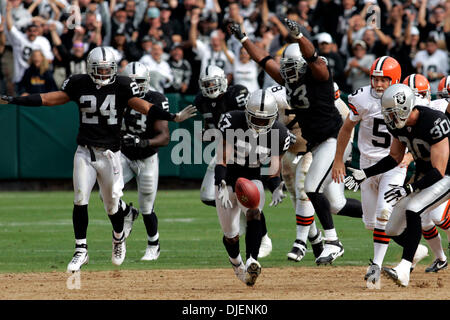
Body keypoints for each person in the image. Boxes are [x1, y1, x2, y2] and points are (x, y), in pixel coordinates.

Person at [0, 46, 197, 272]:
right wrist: (15, 100)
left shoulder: (122, 85)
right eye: (99, 70)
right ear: (90, 68)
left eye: (107, 69)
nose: (104, 74)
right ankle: (81, 250)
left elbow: (145, 106)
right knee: (80, 198)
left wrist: (172, 116)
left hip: (111, 155)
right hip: (85, 151)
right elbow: (49, 98)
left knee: (112, 206)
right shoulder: (79, 83)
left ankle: (118, 238)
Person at [229, 18, 363, 265]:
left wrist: (300, 36)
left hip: (332, 139)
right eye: (286, 66)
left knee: (310, 188)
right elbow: (264, 60)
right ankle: (381, 218)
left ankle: (332, 242)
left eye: (293, 66)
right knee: (335, 203)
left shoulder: (319, 75)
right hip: (317, 142)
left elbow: (314, 60)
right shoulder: (288, 81)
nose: (289, 71)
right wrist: (244, 39)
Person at [332, 56, 428, 286]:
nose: (377, 84)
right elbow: (346, 129)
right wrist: (338, 160)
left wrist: (408, 156)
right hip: (367, 165)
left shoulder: (405, 97)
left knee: (383, 214)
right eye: (375, 78)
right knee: (371, 222)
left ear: (394, 80)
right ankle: (414, 250)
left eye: (384, 79)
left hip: (393, 165)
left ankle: (375, 266)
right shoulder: (362, 97)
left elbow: (421, 134)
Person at [344, 83, 450, 287]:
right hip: (426, 175)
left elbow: (439, 170)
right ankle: (416, 251)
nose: (390, 119)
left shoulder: (433, 121)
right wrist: (365, 173)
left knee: (414, 209)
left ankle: (404, 269)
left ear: (406, 107)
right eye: (388, 113)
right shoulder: (397, 125)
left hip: (445, 176)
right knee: (391, 228)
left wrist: (409, 188)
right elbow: (394, 157)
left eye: (393, 113)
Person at [195, 65, 272, 259]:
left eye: (213, 83)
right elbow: (210, 128)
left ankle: (262, 235)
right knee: (208, 196)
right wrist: (207, 134)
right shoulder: (201, 101)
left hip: (242, 150)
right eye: (206, 85)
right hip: (223, 148)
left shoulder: (237, 94)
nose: (210, 88)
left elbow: (249, 124)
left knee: (250, 195)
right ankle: (243, 214)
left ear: (223, 81)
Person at [214, 88, 290, 286]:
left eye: (265, 120)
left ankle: (252, 260)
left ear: (274, 118)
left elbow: (273, 170)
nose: (260, 124)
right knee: (231, 235)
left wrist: (276, 187)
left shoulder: (280, 133)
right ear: (247, 113)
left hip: (253, 177)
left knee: (254, 212)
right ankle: (237, 264)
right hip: (229, 178)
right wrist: (221, 182)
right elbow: (222, 158)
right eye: (255, 119)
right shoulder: (232, 121)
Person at [120, 61, 170, 261]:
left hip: (147, 157)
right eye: (130, 82)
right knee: (108, 194)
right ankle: (127, 212)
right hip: (123, 155)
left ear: (147, 81)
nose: (135, 86)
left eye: (139, 82)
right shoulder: (116, 95)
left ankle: (153, 244)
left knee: (147, 207)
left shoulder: (155, 98)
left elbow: (164, 137)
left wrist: (143, 142)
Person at [403, 74, 450, 273]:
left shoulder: (436, 111)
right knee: (422, 218)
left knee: (438, 216)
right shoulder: (420, 113)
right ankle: (440, 258)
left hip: (444, 171)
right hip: (430, 170)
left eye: (419, 94)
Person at [5, 1, 53, 94]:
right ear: (26, 31)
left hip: (36, 76)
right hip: (20, 76)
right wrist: (8, 12)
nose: (32, 33)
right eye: (30, 30)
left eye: (34, 31)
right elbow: (10, 28)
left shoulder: (42, 41)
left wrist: (36, 61)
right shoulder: (21, 38)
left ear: (38, 32)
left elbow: (49, 59)